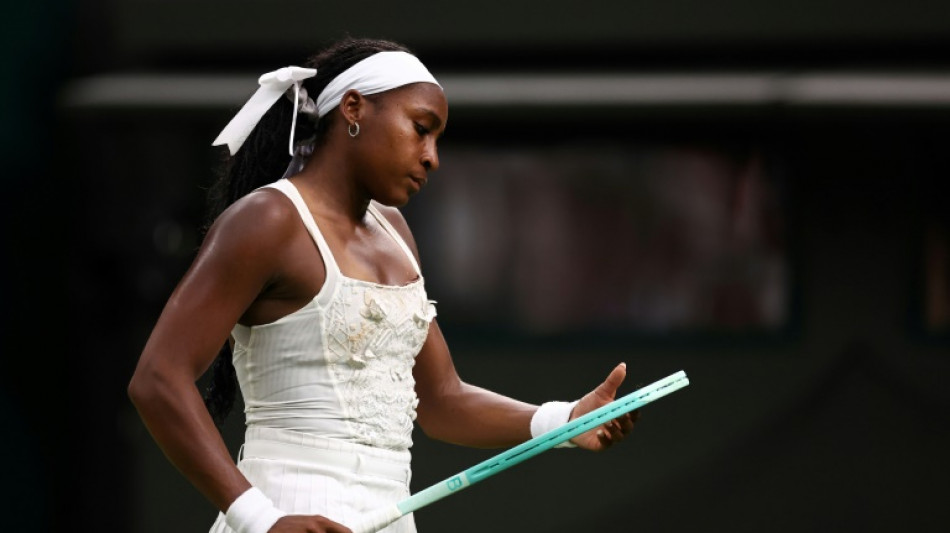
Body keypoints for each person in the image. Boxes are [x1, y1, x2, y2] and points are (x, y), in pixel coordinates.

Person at [127, 36, 639, 533]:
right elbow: (157, 379)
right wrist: (260, 519)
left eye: (436, 139)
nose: (432, 156)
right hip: (287, 513)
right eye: (421, 128)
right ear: (353, 108)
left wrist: (566, 420)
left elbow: (442, 400)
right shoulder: (268, 219)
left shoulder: (394, 230)